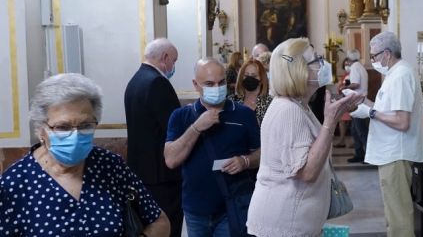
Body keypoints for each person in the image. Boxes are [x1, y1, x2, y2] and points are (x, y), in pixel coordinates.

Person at [1, 73, 171, 236]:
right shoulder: (14, 184)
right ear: (41, 130)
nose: (75, 135)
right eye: (62, 127)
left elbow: (159, 221)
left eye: (85, 125)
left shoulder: (110, 165)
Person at [246, 38, 365, 237]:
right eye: (316, 59)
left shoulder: (299, 106)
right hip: (284, 224)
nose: (323, 63)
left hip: (295, 223)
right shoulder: (288, 110)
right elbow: (307, 172)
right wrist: (330, 122)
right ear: (299, 70)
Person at [164, 58, 261, 237]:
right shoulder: (181, 116)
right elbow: (171, 160)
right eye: (209, 84)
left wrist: (245, 161)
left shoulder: (244, 114)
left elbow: (261, 154)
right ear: (196, 85)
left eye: (221, 82)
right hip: (195, 209)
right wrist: (196, 127)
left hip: (232, 206)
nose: (217, 88)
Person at [351, 31, 423, 237]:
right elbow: (387, 110)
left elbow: (402, 121)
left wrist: (371, 113)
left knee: (398, 216)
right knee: (393, 213)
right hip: (391, 153)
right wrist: (361, 102)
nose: (373, 60)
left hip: (396, 153)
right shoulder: (395, 73)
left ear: (386, 54)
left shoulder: (401, 75)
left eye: (374, 56)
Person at [124, 38, 183, 236]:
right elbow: (174, 127)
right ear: (165, 58)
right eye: (174, 61)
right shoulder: (158, 82)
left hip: (141, 172)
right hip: (162, 175)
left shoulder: (135, 80)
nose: (173, 66)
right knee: (168, 227)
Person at [344, 49, 369, 163]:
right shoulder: (360, 66)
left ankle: (368, 155)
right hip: (359, 101)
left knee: (361, 130)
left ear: (349, 59)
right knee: (355, 130)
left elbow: (355, 84)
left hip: (358, 103)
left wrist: (344, 88)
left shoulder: (354, 67)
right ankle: (359, 154)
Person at [233, 58, 272, 126]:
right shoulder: (233, 101)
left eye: (254, 76)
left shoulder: (270, 103)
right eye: (246, 75)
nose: (249, 78)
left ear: (262, 78)